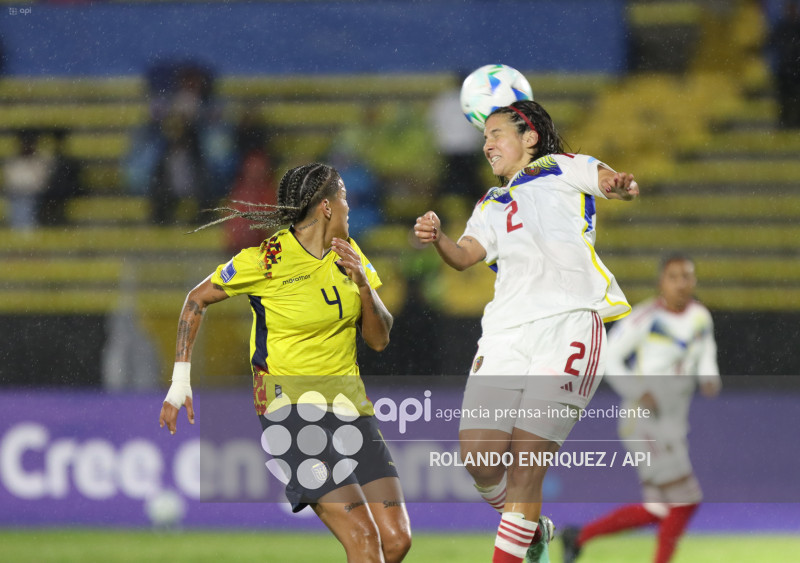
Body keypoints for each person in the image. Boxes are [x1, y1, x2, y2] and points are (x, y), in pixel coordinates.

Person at [413, 100, 639, 563]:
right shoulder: (489, 203)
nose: (487, 144)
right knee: (479, 459)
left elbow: (610, 183)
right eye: (484, 137)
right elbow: (464, 256)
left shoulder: (563, 168)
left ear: (529, 138)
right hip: (504, 333)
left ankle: (514, 546)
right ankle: (531, 530)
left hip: (569, 323)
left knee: (526, 465)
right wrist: (439, 238)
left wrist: (618, 185)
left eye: (496, 134)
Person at [158, 163, 412, 563]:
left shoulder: (351, 254)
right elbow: (196, 299)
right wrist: (180, 381)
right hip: (291, 413)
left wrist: (363, 284)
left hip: (351, 407)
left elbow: (379, 338)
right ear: (327, 207)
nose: (350, 206)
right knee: (363, 541)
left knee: (396, 542)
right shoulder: (267, 259)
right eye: (345, 198)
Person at [561, 254, 721, 563]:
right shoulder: (644, 317)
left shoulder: (701, 316)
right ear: (661, 282)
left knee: (660, 509)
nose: (680, 283)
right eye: (673, 277)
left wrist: (710, 377)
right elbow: (609, 358)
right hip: (644, 420)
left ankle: (578, 537)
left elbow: (706, 352)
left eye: (686, 276)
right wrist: (638, 390)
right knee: (686, 501)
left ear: (694, 281)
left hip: (672, 423)